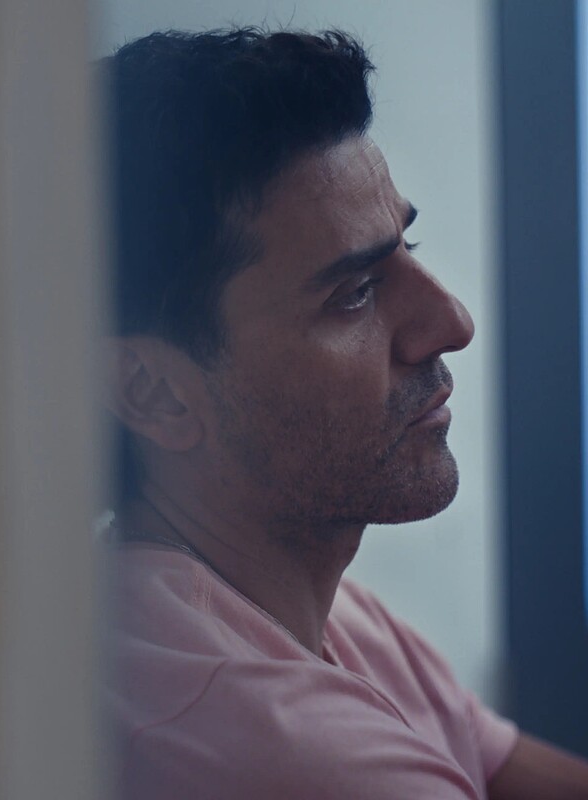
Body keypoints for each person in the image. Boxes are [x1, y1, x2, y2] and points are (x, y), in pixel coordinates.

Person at [103, 28, 588, 799]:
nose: (452, 322)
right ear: (153, 393)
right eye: (354, 293)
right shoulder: (263, 737)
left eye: (407, 248)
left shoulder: (313, 608)